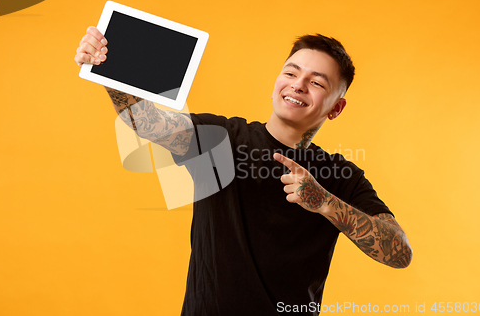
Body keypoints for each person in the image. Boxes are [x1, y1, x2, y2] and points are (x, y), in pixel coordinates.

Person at [75, 26, 412, 316]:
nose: (298, 85)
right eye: (291, 73)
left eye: (317, 82)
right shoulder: (221, 138)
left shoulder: (342, 176)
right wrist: (105, 66)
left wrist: (325, 202)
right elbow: (148, 124)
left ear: (336, 108)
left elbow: (399, 252)